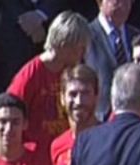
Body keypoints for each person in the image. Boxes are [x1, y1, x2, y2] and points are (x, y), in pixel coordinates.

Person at [7, 11, 91, 153]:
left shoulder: (74, 72)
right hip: (36, 156)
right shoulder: (30, 74)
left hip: (65, 152)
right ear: (64, 45)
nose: (83, 54)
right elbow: (9, 112)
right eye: (79, 48)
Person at [85, 0, 140, 119]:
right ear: (100, 3)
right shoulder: (86, 37)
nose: (123, 5)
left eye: (128, 1)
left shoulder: (137, 37)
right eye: (117, 1)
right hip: (98, 119)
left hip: (131, 118)